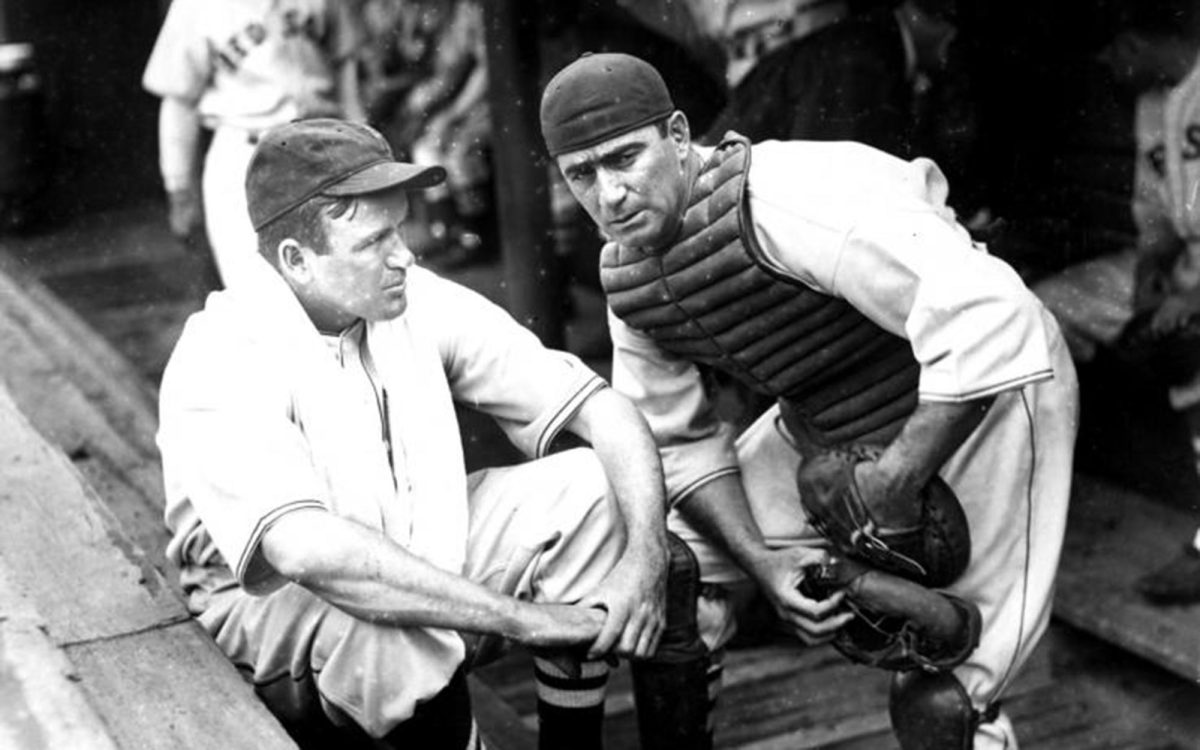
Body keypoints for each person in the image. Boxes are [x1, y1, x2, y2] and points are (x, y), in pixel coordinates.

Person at [540, 53, 1078, 749]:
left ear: (677, 136)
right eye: (582, 173)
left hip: (994, 402)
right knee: (682, 567)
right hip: (830, 421)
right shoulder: (630, 273)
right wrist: (760, 565)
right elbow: (674, 439)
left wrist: (894, 484)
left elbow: (995, 313)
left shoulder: (788, 195)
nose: (608, 194)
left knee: (947, 697)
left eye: (625, 158)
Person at [155, 118, 671, 749]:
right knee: (395, 631)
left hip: (409, 547)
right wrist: (525, 620)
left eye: (400, 226)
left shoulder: (409, 298)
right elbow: (308, 553)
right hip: (265, 617)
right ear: (297, 260)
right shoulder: (224, 349)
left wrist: (648, 554)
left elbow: (604, 410)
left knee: (592, 487)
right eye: (375, 239)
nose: (406, 252)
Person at [1033, 10, 1200, 605]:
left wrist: (1188, 296)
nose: (1109, 68)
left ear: (1132, 41)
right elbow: (1157, 216)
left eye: (1111, 54)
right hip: (1180, 266)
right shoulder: (1158, 104)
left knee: (1188, 358)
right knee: (1040, 309)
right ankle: (1034, 499)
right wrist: (1155, 275)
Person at [142, 0, 364, 291]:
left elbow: (345, 72)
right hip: (246, 153)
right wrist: (179, 189)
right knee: (257, 293)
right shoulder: (195, 6)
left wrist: (365, 151)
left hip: (322, 147)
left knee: (337, 288)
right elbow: (178, 102)